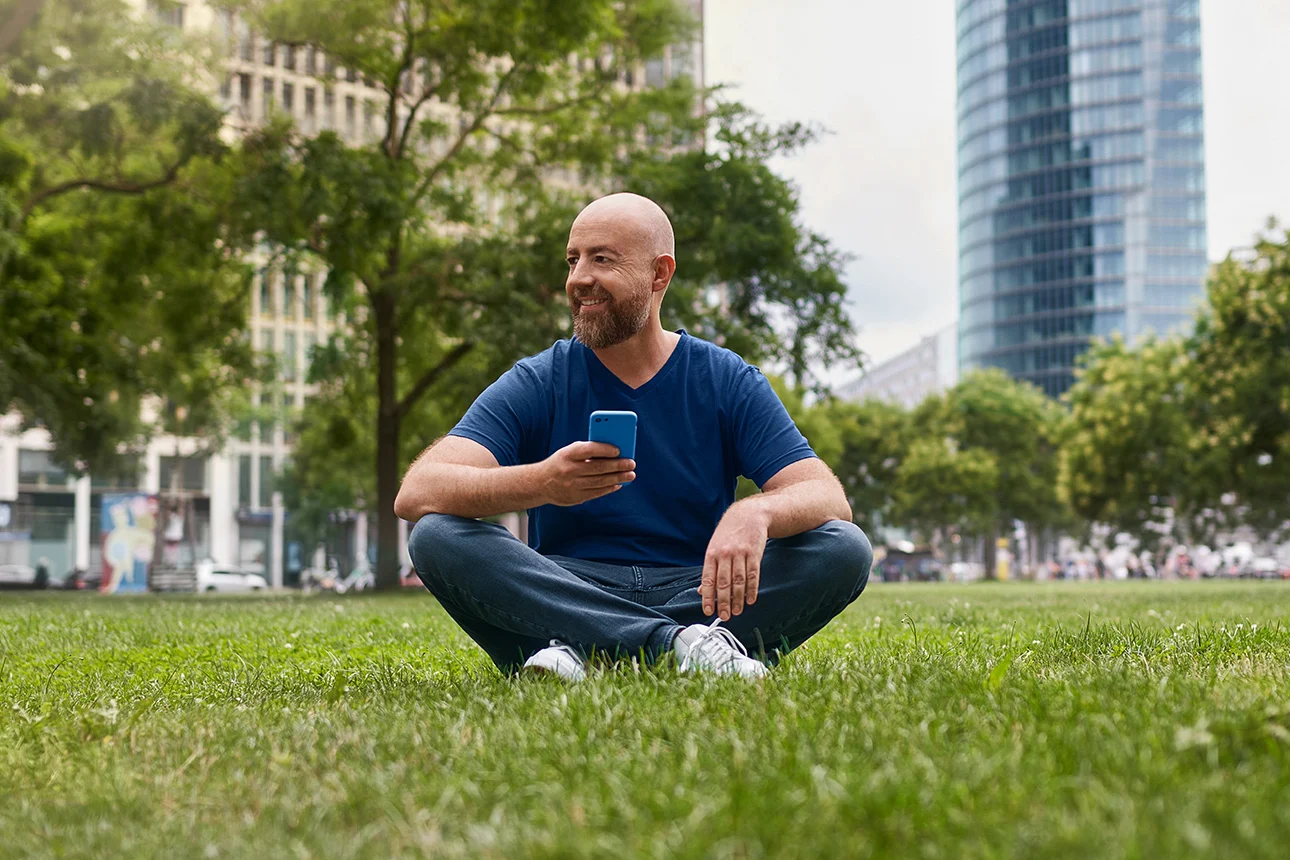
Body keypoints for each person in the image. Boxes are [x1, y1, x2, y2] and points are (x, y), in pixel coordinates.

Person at [395, 193, 872, 680]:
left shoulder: (725, 378)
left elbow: (827, 496)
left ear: (659, 274)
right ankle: (681, 646)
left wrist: (757, 510)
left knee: (842, 547)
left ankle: (587, 650)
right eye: (573, 259)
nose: (579, 277)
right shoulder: (540, 379)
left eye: (601, 259)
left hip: (699, 588)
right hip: (565, 590)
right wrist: (541, 483)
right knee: (437, 535)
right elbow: (418, 491)